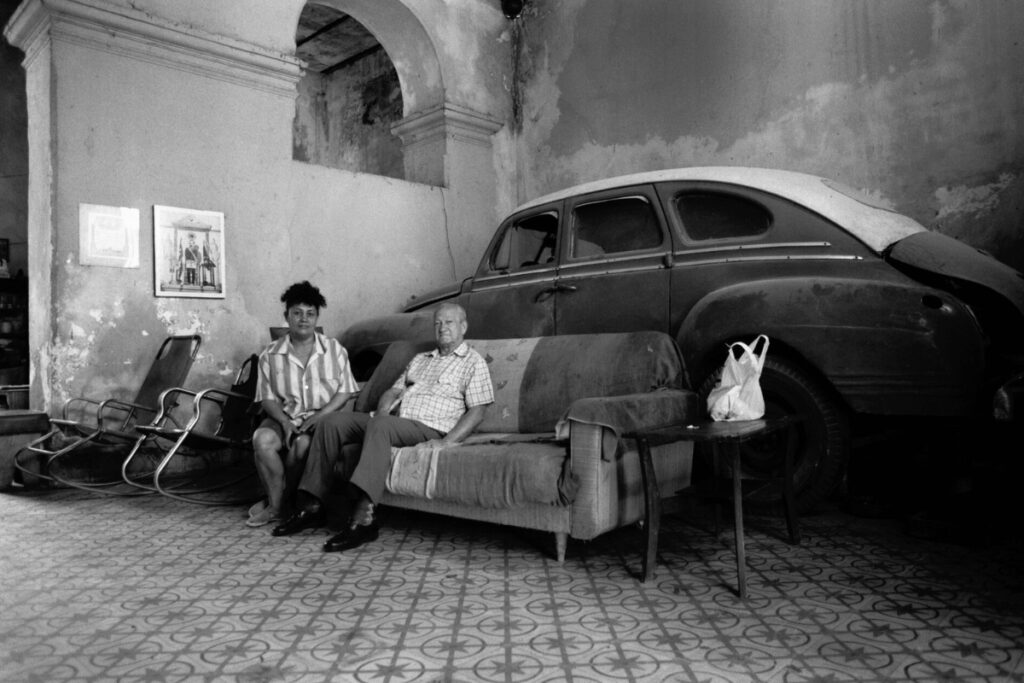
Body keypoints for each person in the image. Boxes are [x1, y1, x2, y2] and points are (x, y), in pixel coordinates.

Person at [272, 302, 494, 552]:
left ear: (463, 326)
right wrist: (382, 410)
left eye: (449, 322)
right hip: (390, 421)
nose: (442, 328)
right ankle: (312, 505)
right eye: (438, 323)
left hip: (429, 426)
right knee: (331, 422)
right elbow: (393, 390)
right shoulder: (421, 359)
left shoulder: (473, 362)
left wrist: (447, 441)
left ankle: (363, 519)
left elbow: (478, 410)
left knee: (381, 427)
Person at [247, 281, 359, 527]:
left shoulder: (334, 350)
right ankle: (276, 506)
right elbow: (266, 397)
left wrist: (320, 416)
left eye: (310, 314)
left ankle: (283, 499)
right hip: (285, 414)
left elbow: (346, 391)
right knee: (261, 440)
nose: (303, 319)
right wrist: (285, 422)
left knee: (302, 445)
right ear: (286, 316)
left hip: (324, 417)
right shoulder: (271, 354)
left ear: (317, 317)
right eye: (297, 313)